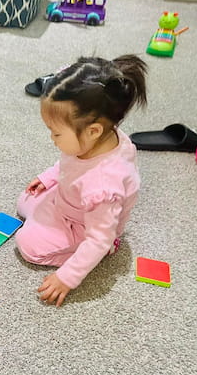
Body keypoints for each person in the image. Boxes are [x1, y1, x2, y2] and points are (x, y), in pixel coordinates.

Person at [15, 55, 148, 307]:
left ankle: (105, 251)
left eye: (55, 132)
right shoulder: (97, 139)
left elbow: (99, 237)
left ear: (93, 131)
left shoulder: (103, 186)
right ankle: (44, 217)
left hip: (84, 226)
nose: (52, 139)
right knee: (24, 200)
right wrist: (49, 177)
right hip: (69, 199)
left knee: (27, 244)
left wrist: (67, 277)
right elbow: (69, 163)